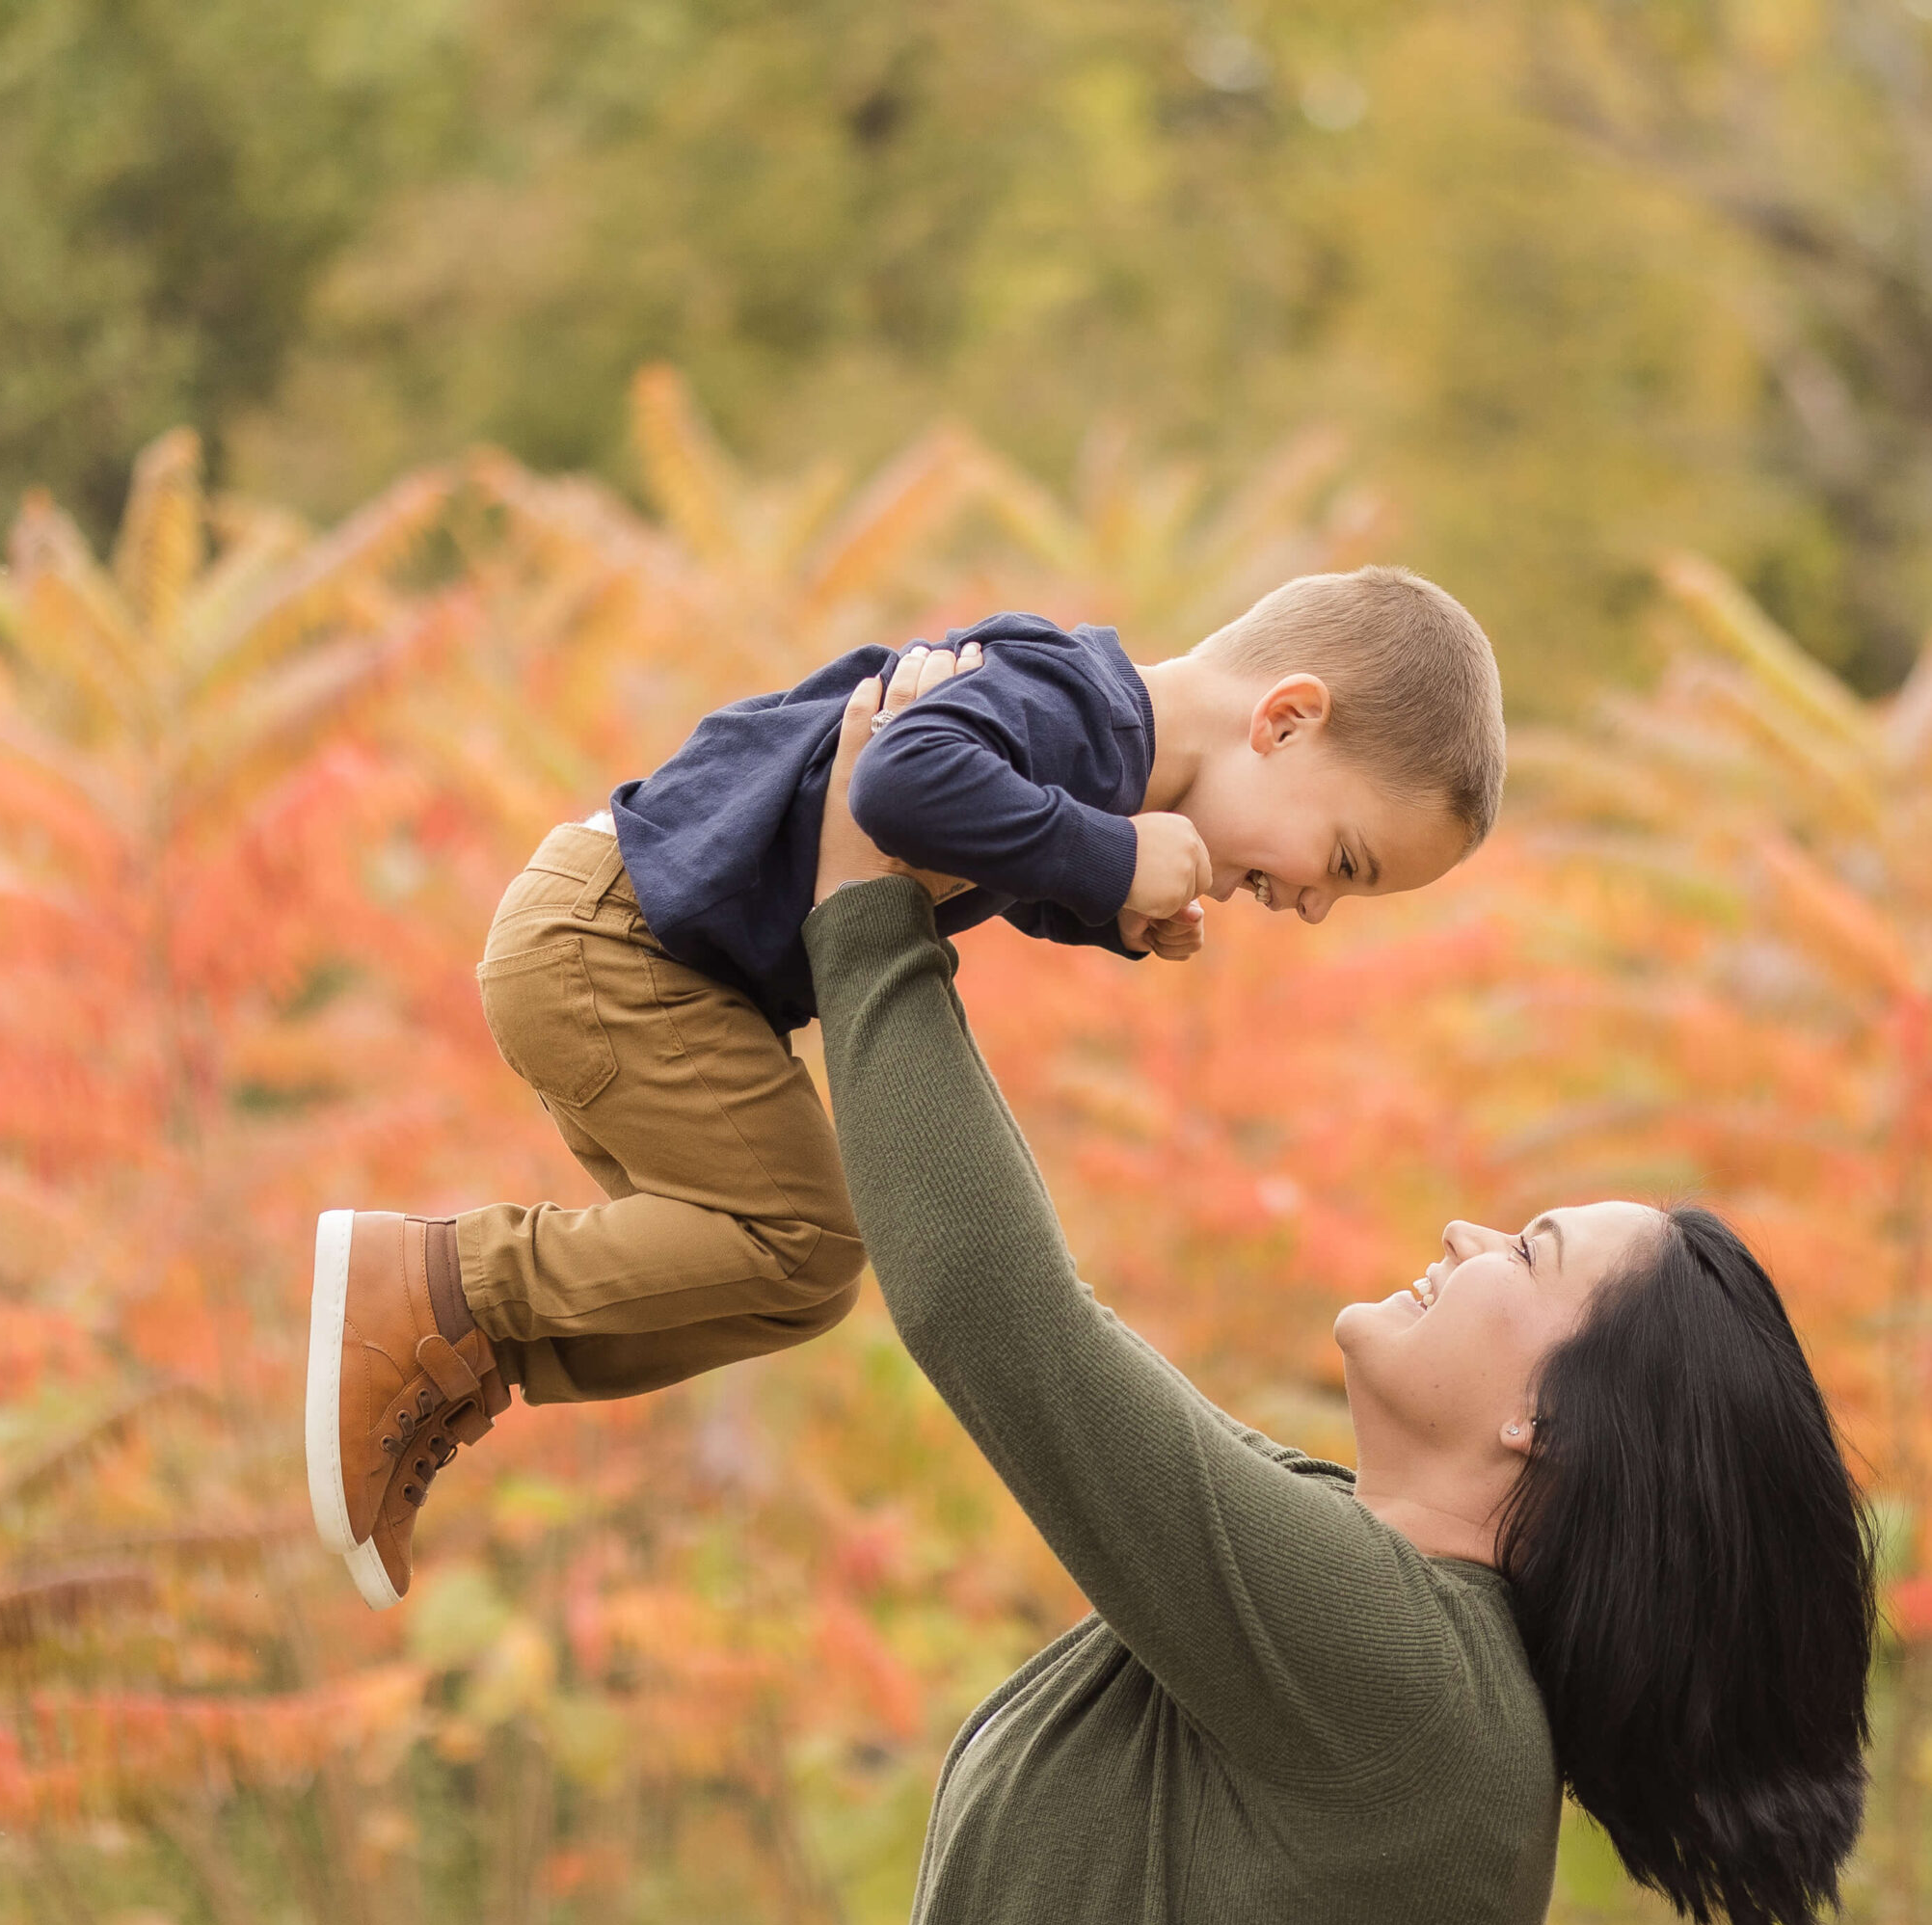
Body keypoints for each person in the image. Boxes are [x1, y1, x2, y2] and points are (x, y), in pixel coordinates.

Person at [802, 663, 1877, 1925]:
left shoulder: (1402, 1683)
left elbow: (1003, 1317)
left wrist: (864, 904)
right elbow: (1055, 1344)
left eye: (1527, 1252)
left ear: (1550, 1420)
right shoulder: (1364, 1612)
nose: (1464, 1235)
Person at [308, 568, 1507, 1609]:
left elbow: (974, 844)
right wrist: (1111, 855)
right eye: (1343, 862)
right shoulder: (1080, 704)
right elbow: (898, 784)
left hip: (648, 957)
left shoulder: (1090, 743)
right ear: (1287, 720)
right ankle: (441, 1290)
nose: (1311, 904)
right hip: (616, 945)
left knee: (793, 1280)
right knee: (802, 1239)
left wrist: (1111, 911)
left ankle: (456, 1351)